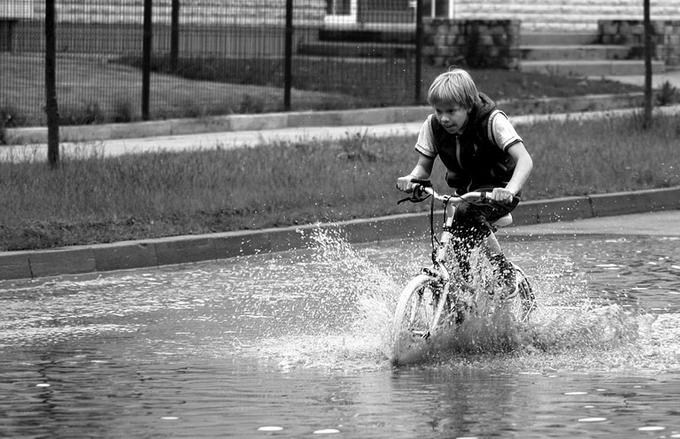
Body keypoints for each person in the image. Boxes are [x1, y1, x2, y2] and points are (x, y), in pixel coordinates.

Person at [396, 67, 533, 293]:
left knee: (465, 214)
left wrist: (509, 190)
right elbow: (423, 167)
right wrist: (412, 178)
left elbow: (524, 160)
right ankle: (463, 295)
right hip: (464, 195)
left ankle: (503, 270)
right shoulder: (433, 126)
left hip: (498, 191)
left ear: (468, 106)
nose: (444, 118)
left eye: (451, 111)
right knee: (454, 243)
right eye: (439, 110)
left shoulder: (492, 121)